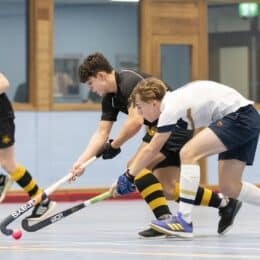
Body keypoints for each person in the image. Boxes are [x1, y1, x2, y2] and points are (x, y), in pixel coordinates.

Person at [71, 53, 241, 238]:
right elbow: (101, 133)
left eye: (90, 83)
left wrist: (114, 146)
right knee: (167, 188)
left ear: (101, 76)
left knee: (136, 167)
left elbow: (135, 122)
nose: (91, 89)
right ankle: (225, 203)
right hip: (160, 130)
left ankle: (165, 219)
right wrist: (81, 163)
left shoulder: (129, 81)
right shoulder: (109, 99)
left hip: (174, 126)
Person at [114, 77, 260, 238]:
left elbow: (152, 148)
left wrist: (129, 176)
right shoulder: (174, 104)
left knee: (188, 153)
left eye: (140, 107)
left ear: (153, 103)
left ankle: (184, 220)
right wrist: (130, 175)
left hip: (238, 117)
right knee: (230, 187)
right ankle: (187, 219)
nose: (140, 113)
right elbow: (153, 149)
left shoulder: (170, 107)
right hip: (246, 117)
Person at [0, 73, 56, 221]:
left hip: (2, 119)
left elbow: (4, 83)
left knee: (8, 164)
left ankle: (43, 200)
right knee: (7, 164)